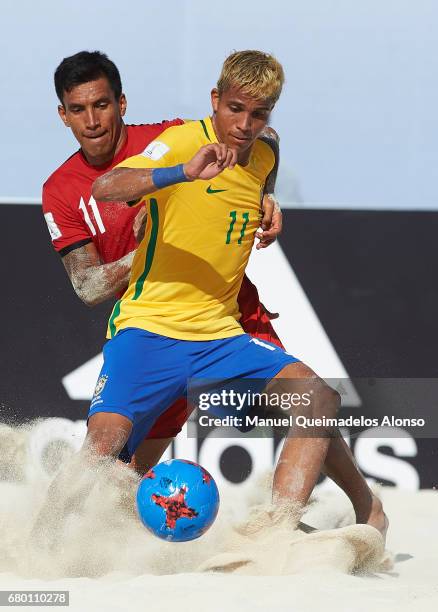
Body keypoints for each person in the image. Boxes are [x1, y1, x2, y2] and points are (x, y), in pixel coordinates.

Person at [90, 50, 387, 537]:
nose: (245, 124)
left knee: (317, 398)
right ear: (215, 100)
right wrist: (182, 173)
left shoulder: (264, 148)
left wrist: (267, 199)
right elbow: (107, 185)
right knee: (102, 458)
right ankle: (41, 547)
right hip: (147, 331)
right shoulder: (184, 142)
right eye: (234, 109)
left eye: (259, 113)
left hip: (218, 337)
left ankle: (278, 534)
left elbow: (264, 157)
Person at [42, 51, 283, 472]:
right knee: (123, 471)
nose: (92, 121)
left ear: (122, 103)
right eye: (78, 110)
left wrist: (265, 195)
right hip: (153, 324)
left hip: (228, 307)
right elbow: (90, 288)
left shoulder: (170, 137)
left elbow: (264, 137)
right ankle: (61, 533)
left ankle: (341, 513)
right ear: (63, 115)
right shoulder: (60, 190)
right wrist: (154, 248)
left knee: (302, 411)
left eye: (101, 105)